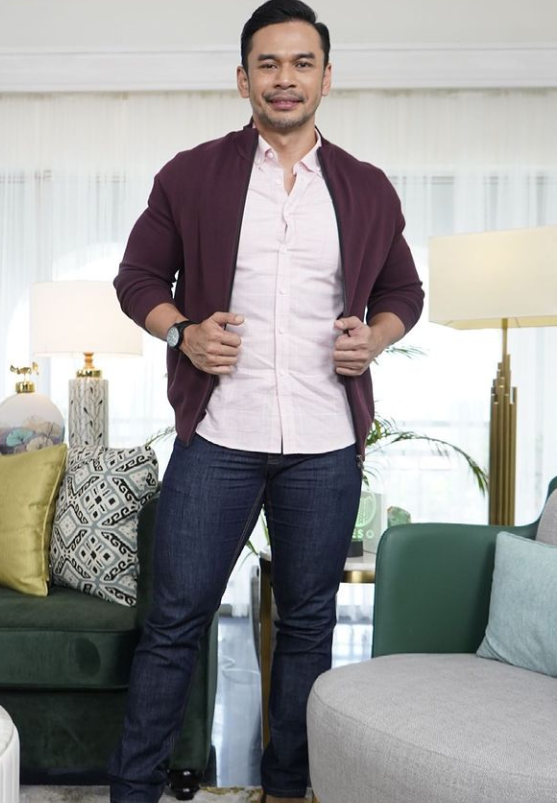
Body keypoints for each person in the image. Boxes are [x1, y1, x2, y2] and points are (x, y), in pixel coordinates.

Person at [108, 1, 424, 801]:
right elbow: (137, 278)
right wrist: (182, 332)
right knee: (174, 622)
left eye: (301, 63)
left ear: (326, 77)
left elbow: (403, 291)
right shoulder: (190, 175)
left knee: (309, 625)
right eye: (269, 64)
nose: (285, 79)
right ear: (243, 78)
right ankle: (133, 791)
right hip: (218, 435)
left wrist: (374, 338)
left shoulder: (366, 188)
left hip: (324, 442)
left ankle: (285, 790)